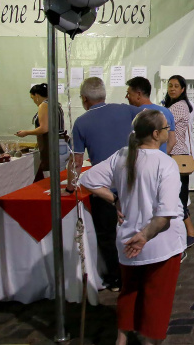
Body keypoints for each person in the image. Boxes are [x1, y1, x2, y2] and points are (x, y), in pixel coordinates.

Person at [79, 109, 185, 345]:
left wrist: (114, 198)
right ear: (156, 134)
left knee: (129, 291)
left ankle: (122, 338)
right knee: (157, 297)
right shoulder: (165, 164)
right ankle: (149, 340)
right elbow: (165, 214)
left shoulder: (122, 155)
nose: (169, 132)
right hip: (159, 243)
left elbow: (87, 179)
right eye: (166, 128)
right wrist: (144, 236)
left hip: (127, 238)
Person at [70, 77, 142, 291]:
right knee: (137, 227)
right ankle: (137, 271)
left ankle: (115, 278)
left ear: (84, 99)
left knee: (107, 234)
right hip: (133, 181)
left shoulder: (81, 122)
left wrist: (71, 186)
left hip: (104, 188)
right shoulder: (127, 110)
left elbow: (76, 161)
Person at [163, 75, 194, 248]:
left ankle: (190, 232)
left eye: (176, 86)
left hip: (176, 156)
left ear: (183, 89)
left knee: (179, 197)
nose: (172, 89)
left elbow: (161, 123)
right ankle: (189, 232)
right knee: (179, 196)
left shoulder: (178, 106)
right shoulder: (176, 105)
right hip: (176, 155)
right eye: (170, 85)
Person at [15, 83, 69, 179]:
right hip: (62, 143)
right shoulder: (55, 104)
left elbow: (44, 128)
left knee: (51, 178)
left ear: (36, 95)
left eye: (32, 98)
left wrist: (26, 132)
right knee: (60, 176)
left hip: (51, 145)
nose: (34, 101)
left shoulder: (44, 105)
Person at [125, 77, 176, 155]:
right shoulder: (167, 111)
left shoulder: (134, 114)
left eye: (128, 94)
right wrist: (162, 154)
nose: (126, 97)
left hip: (141, 159)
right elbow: (172, 141)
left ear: (138, 94)